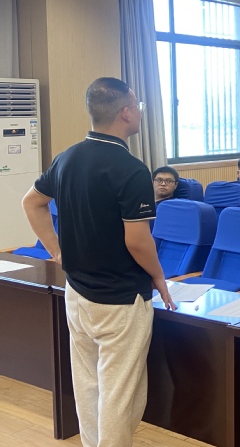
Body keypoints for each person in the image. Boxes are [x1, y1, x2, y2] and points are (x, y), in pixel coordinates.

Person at [22, 77, 176, 447]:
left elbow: (32, 202)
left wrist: (58, 251)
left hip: (77, 293)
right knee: (119, 394)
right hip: (120, 300)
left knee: (88, 384)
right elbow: (137, 241)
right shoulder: (132, 169)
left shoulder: (67, 157)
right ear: (125, 113)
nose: (140, 112)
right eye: (137, 105)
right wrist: (159, 277)